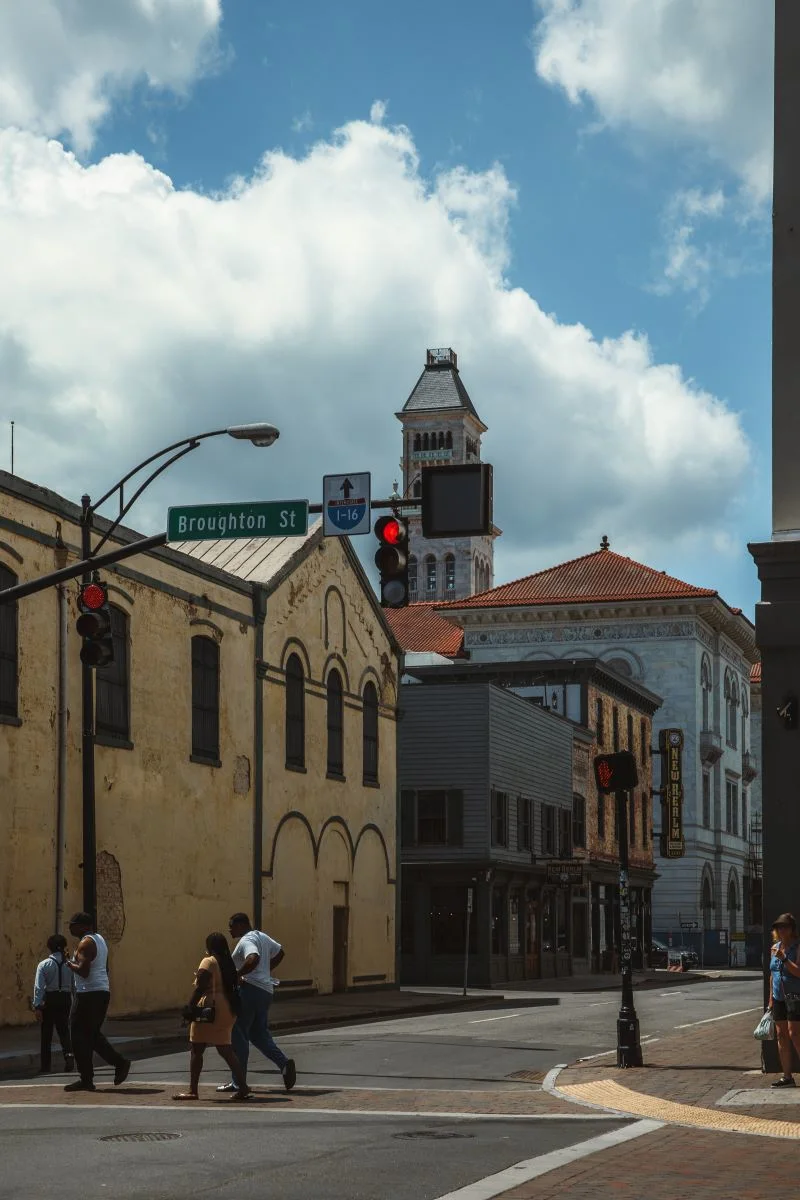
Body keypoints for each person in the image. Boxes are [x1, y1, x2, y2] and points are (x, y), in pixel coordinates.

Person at [216, 912, 296, 1094]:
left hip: (250, 991)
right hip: (265, 991)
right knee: (258, 1034)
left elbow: (253, 958)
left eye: (232, 925)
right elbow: (280, 952)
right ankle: (283, 1063)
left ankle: (238, 1081)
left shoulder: (246, 940)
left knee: (239, 1034)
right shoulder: (262, 936)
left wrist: (238, 975)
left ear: (242, 925)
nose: (229, 929)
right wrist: (265, 972)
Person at [173, 932, 251, 1101]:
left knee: (196, 1049)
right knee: (226, 1050)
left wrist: (188, 1010)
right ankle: (243, 1087)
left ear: (209, 946)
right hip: (227, 1008)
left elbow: (200, 987)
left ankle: (193, 1090)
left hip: (210, 1008)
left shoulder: (208, 961)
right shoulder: (228, 963)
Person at [63, 912, 131, 1093]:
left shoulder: (85, 943)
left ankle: (111, 1066)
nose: (70, 928)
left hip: (88, 994)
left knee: (78, 1036)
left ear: (84, 926)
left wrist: (69, 963)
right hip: (100, 992)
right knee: (91, 1035)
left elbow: (83, 972)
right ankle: (92, 1076)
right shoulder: (100, 939)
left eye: (73, 924)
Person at [32, 934, 74, 1074]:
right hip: (65, 998)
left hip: (50, 998)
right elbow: (75, 984)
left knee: (46, 1033)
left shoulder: (44, 965)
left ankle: (45, 1066)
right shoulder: (70, 963)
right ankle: (69, 1056)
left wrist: (37, 1006)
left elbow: (39, 987)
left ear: (49, 947)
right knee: (63, 1030)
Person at [768, 912, 800, 1087]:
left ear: (792, 929)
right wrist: (770, 1000)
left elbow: (798, 972)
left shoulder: (797, 947)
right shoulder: (774, 947)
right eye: (779, 927)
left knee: (795, 1034)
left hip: (795, 996)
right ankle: (787, 1076)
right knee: (781, 1035)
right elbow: (772, 975)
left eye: (785, 927)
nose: (781, 930)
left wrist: (785, 958)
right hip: (778, 997)